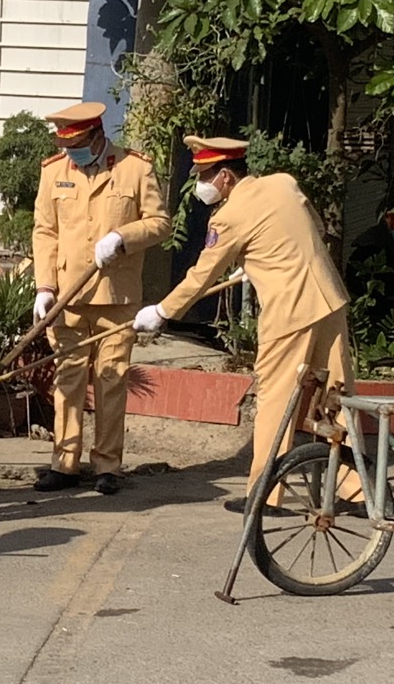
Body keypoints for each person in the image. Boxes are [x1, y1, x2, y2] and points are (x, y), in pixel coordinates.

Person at [133, 135, 355, 512]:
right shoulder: (283, 183)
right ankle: (358, 490)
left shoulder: (229, 216)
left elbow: (202, 274)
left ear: (225, 177)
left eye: (204, 175)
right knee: (335, 396)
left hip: (290, 312)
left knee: (275, 400)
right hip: (330, 299)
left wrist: (163, 311)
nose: (200, 184)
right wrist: (263, 259)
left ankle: (264, 495)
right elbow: (311, 228)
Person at [31, 102, 172, 495]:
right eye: (66, 145)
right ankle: (65, 462)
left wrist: (123, 238)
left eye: (77, 143)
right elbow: (44, 231)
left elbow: (160, 222)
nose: (71, 152)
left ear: (97, 136)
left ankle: (107, 464)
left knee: (111, 379)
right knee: (68, 379)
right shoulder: (53, 171)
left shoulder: (134, 167)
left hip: (117, 296)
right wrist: (44, 286)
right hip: (68, 295)